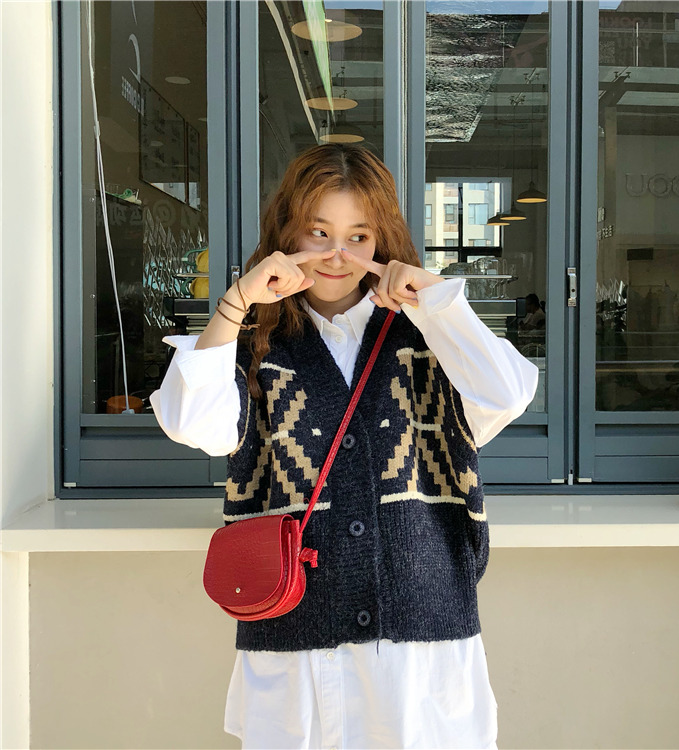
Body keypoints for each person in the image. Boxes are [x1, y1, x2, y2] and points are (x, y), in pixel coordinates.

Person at [150, 143, 539, 750]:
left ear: (382, 242)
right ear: (287, 234)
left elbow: (508, 394)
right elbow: (192, 424)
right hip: (296, 641)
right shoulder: (252, 343)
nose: (337, 255)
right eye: (319, 232)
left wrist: (436, 299)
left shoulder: (427, 335)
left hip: (420, 640)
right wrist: (236, 303)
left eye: (358, 236)